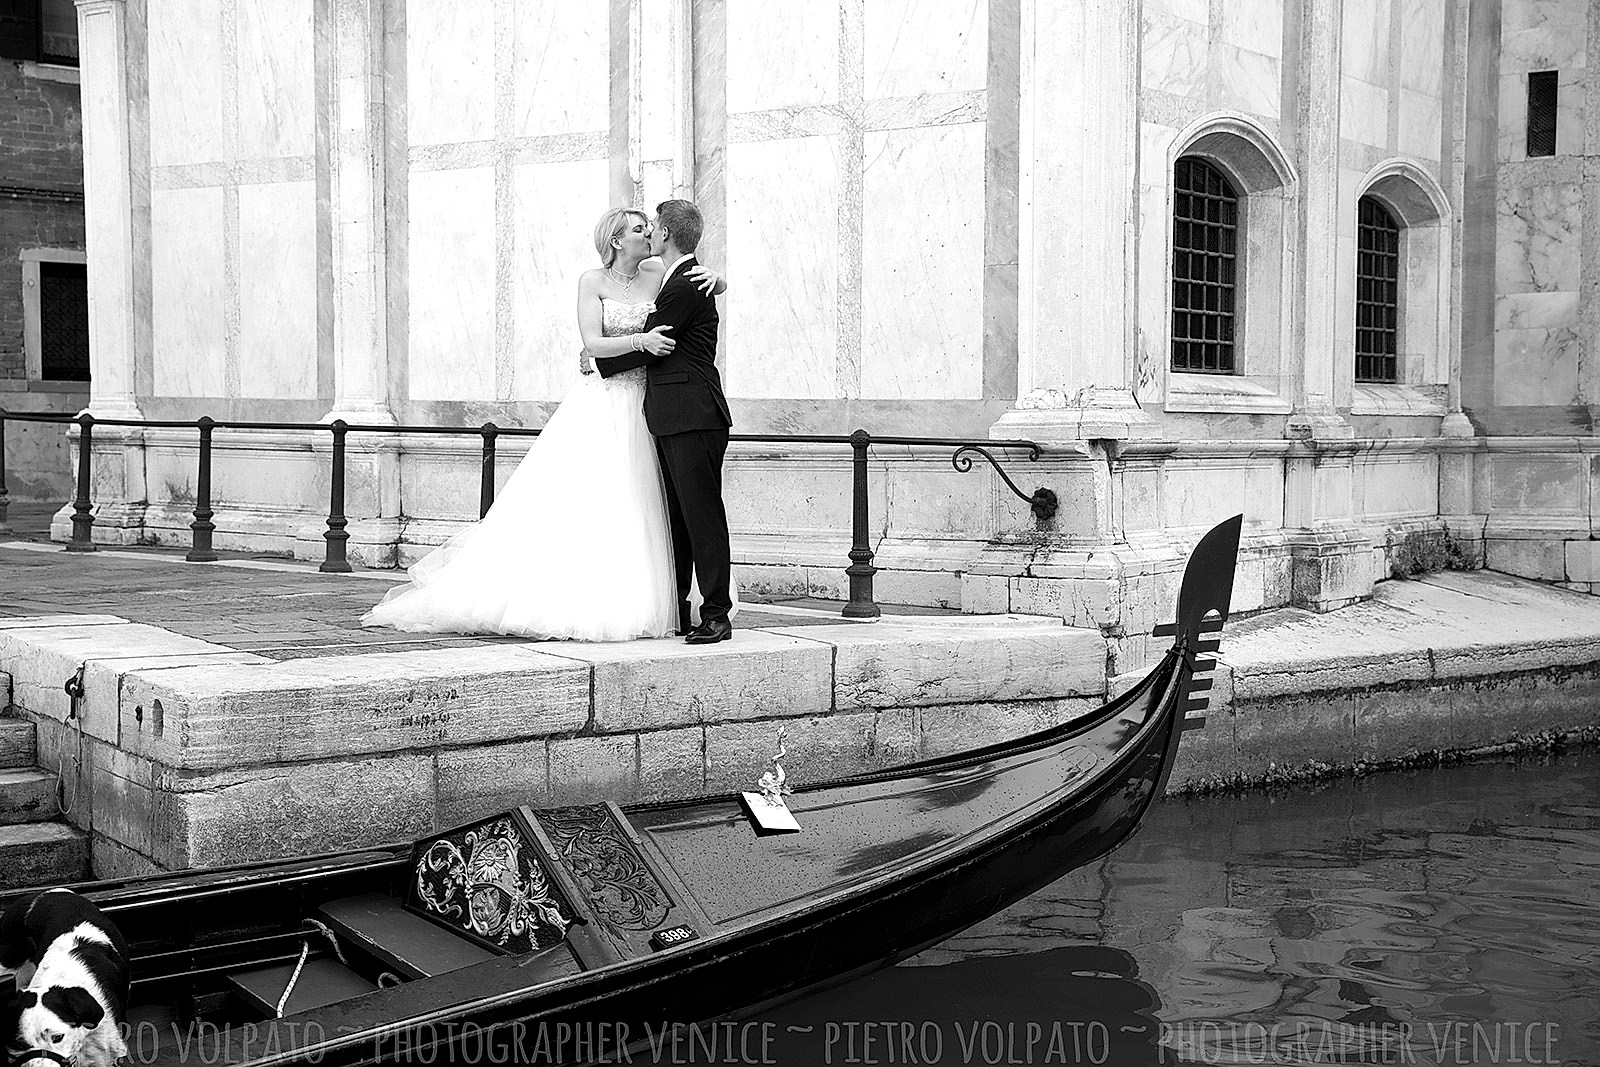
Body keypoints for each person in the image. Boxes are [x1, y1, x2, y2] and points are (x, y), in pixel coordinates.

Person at [361, 207, 727, 641]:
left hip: (654, 404)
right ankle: (623, 602)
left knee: (663, 511)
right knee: (601, 503)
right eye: (636, 228)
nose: (646, 232)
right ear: (615, 240)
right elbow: (595, 340)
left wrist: (719, 280)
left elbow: (686, 297)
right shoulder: (593, 281)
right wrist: (622, 347)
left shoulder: (661, 275)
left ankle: (680, 605)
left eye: (650, 227)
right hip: (610, 405)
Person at [591, 199, 736, 644]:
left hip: (693, 414)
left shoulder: (685, 286)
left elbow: (657, 345)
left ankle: (716, 614)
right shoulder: (681, 279)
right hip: (675, 416)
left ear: (667, 234)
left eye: (652, 225)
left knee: (702, 515)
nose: (649, 231)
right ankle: (680, 606)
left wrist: (597, 360)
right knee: (678, 518)